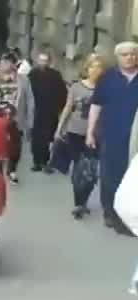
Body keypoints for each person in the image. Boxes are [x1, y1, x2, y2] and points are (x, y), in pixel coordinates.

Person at [87, 41, 138, 236]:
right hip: (111, 134)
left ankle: (130, 214)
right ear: (117, 57)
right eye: (125, 54)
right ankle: (110, 212)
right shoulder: (107, 78)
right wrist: (91, 131)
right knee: (110, 175)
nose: (129, 57)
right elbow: (96, 105)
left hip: (135, 137)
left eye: (133, 54)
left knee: (132, 177)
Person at [56, 54, 104, 219]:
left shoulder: (105, 88)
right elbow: (68, 108)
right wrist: (59, 128)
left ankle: (84, 200)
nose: (95, 70)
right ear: (87, 68)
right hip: (75, 131)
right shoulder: (76, 87)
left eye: (99, 67)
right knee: (78, 167)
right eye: (92, 66)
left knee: (91, 170)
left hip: (97, 134)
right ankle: (78, 203)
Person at [0, 52, 34, 184]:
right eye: (2, 62)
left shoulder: (23, 80)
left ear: (13, 64)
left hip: (15, 117)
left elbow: (30, 100)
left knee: (15, 146)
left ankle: (12, 170)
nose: (4, 65)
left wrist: (30, 121)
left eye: (7, 62)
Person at [28, 51, 68, 172]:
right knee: (36, 138)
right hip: (36, 110)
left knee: (48, 137)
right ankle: (36, 162)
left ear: (49, 62)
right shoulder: (32, 74)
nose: (43, 63)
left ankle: (46, 162)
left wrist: (60, 107)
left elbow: (62, 92)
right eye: (41, 60)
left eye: (45, 60)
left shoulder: (55, 75)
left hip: (50, 111)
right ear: (37, 61)